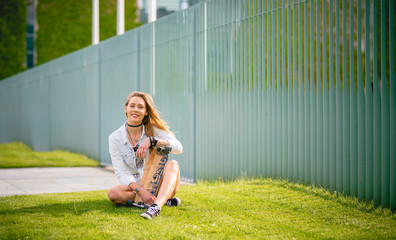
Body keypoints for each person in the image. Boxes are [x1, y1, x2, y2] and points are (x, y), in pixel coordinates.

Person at [107, 91, 183, 219]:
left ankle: (156, 206)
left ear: (146, 112)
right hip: (139, 185)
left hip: (158, 183)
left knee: (173, 164)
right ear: (126, 108)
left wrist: (153, 141)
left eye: (140, 107)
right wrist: (141, 191)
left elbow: (179, 147)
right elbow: (120, 173)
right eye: (132, 106)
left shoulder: (153, 130)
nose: (135, 110)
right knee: (114, 193)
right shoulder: (115, 138)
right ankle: (157, 201)